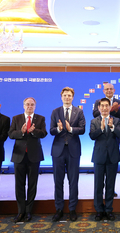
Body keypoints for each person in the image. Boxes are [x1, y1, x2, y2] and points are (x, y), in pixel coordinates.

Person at [49, 87, 86, 222]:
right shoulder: (55, 111)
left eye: (69, 95)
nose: (67, 97)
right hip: (58, 151)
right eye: (65, 95)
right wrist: (58, 129)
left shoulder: (79, 112)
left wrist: (71, 129)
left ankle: (72, 209)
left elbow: (82, 129)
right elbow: (51, 130)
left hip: (73, 150)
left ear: (73, 97)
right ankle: (59, 209)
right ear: (61, 97)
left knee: (73, 181)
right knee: (58, 181)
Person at [9, 97, 47, 223]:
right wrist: (22, 131)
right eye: (27, 104)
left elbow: (44, 133)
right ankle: (21, 211)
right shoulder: (16, 118)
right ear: (23, 106)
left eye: (32, 105)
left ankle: (29, 211)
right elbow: (10, 134)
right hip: (19, 155)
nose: (29, 106)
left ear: (35, 106)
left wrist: (33, 131)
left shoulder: (40, 118)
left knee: (32, 184)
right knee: (19, 185)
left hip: (34, 156)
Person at [89, 98, 120, 221]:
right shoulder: (94, 121)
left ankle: (108, 210)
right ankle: (99, 210)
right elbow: (92, 136)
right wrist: (101, 128)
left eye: (106, 106)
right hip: (99, 157)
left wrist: (112, 127)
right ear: (98, 108)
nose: (104, 108)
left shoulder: (117, 120)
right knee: (98, 185)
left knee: (110, 185)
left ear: (109, 108)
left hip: (112, 157)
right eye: (102, 106)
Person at [92, 82, 120, 197]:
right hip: (101, 137)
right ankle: (100, 189)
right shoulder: (99, 101)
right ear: (103, 91)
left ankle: (111, 189)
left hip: (114, 136)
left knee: (112, 164)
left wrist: (117, 111)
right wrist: (111, 109)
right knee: (101, 166)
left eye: (111, 89)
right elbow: (95, 114)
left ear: (114, 90)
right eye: (107, 89)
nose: (109, 91)